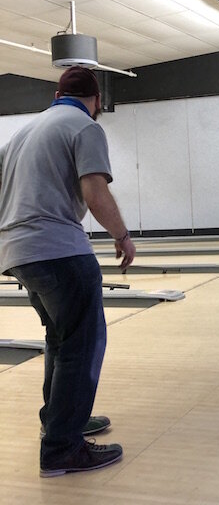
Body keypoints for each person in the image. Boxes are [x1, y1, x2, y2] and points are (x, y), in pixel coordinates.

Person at [0, 66, 136, 477]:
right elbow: (94, 190)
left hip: (18, 251)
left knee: (60, 340)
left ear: (58, 94)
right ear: (95, 101)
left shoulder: (22, 133)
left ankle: (58, 422)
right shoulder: (84, 126)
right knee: (83, 343)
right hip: (59, 248)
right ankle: (63, 448)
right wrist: (122, 235)